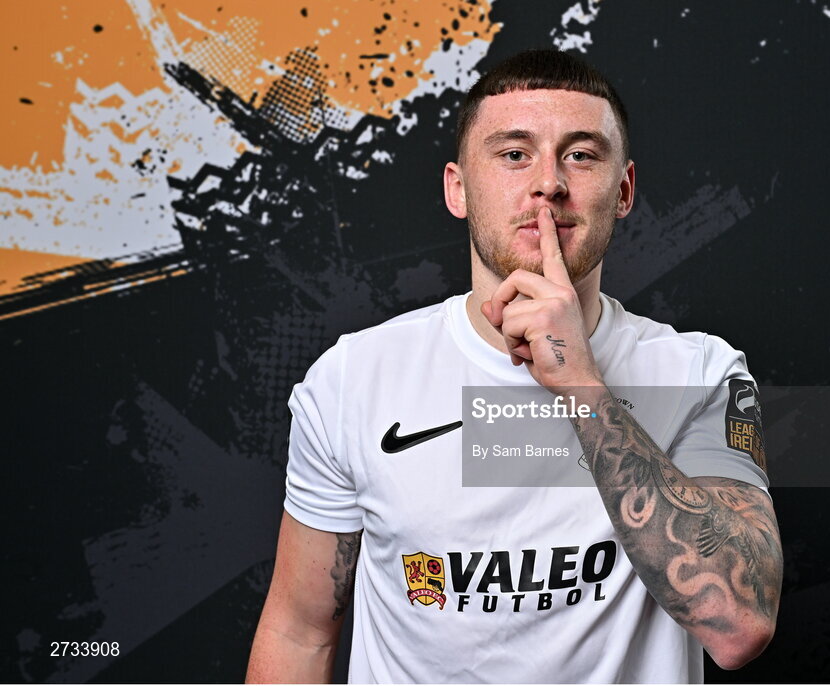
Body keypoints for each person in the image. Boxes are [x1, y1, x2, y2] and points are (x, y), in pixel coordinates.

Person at [246, 48, 782, 684]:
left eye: (581, 155)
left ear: (625, 191)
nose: (549, 182)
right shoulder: (352, 381)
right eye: (514, 153)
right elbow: (299, 633)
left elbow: (741, 625)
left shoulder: (701, 374)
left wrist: (581, 384)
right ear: (458, 188)